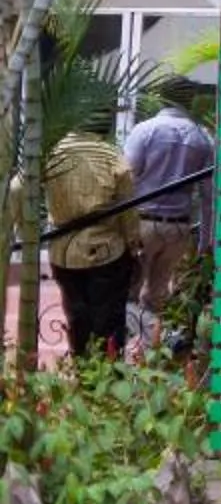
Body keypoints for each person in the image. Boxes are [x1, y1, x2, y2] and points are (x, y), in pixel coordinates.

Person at [40, 129, 139, 356]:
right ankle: (107, 378)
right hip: (106, 252)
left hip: (63, 252)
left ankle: (82, 371)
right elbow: (128, 209)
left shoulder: (52, 153)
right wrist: (133, 244)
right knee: (108, 320)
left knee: (77, 317)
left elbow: (18, 186)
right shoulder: (110, 154)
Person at [125, 83, 216, 325]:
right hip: (178, 229)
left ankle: (124, 352)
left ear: (162, 101)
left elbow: (126, 179)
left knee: (127, 294)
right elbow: (209, 198)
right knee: (157, 297)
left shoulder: (145, 130)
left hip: (142, 224)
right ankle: (148, 351)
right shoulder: (202, 137)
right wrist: (205, 243)